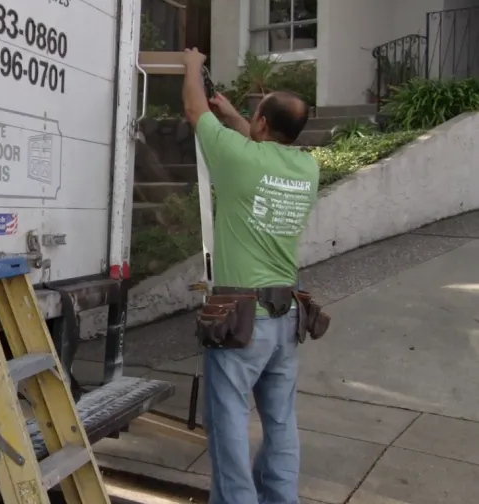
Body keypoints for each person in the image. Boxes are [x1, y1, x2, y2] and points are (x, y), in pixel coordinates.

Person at [181, 47, 320, 504]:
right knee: (280, 424)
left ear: (261, 125)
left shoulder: (241, 160)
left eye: (254, 116)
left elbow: (192, 109)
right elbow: (258, 149)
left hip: (241, 322)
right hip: (286, 321)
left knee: (228, 430)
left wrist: (191, 66)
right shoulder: (306, 167)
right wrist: (233, 115)